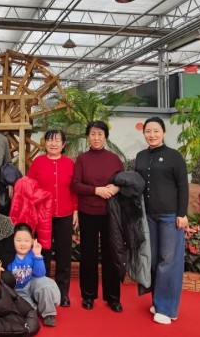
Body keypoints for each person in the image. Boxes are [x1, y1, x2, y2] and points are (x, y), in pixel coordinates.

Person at [134, 117, 188, 325]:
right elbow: (137, 184)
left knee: (169, 262)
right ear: (144, 133)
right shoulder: (141, 156)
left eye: (156, 131)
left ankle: (167, 309)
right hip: (148, 216)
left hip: (170, 216)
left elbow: (183, 186)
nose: (152, 135)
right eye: (148, 131)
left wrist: (182, 214)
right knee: (154, 260)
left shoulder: (174, 156)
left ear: (164, 132)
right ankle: (158, 301)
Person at [71, 120, 124, 313]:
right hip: (88, 212)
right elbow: (76, 185)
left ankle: (113, 297)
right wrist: (96, 190)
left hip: (110, 213)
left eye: (100, 134)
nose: (96, 138)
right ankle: (88, 295)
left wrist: (116, 188)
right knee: (88, 254)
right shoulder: (82, 159)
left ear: (105, 137)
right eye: (93, 134)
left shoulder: (114, 159)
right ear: (88, 137)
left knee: (111, 254)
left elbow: (123, 181)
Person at [27, 129, 77, 307]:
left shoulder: (70, 163)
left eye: (57, 141)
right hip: (43, 217)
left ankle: (63, 293)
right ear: (45, 143)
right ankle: (44, 290)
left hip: (65, 214)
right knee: (43, 254)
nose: (53, 144)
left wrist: (75, 210)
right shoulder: (38, 162)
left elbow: (74, 189)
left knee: (64, 254)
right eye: (50, 140)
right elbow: (29, 188)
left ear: (64, 144)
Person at [8, 223, 61, 327]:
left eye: (26, 240)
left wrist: (37, 255)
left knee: (45, 284)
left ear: (32, 241)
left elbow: (40, 274)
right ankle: (36, 308)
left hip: (32, 284)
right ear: (12, 241)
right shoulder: (9, 256)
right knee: (26, 308)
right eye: (19, 240)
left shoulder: (33, 254)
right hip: (18, 290)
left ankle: (48, 314)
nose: (23, 244)